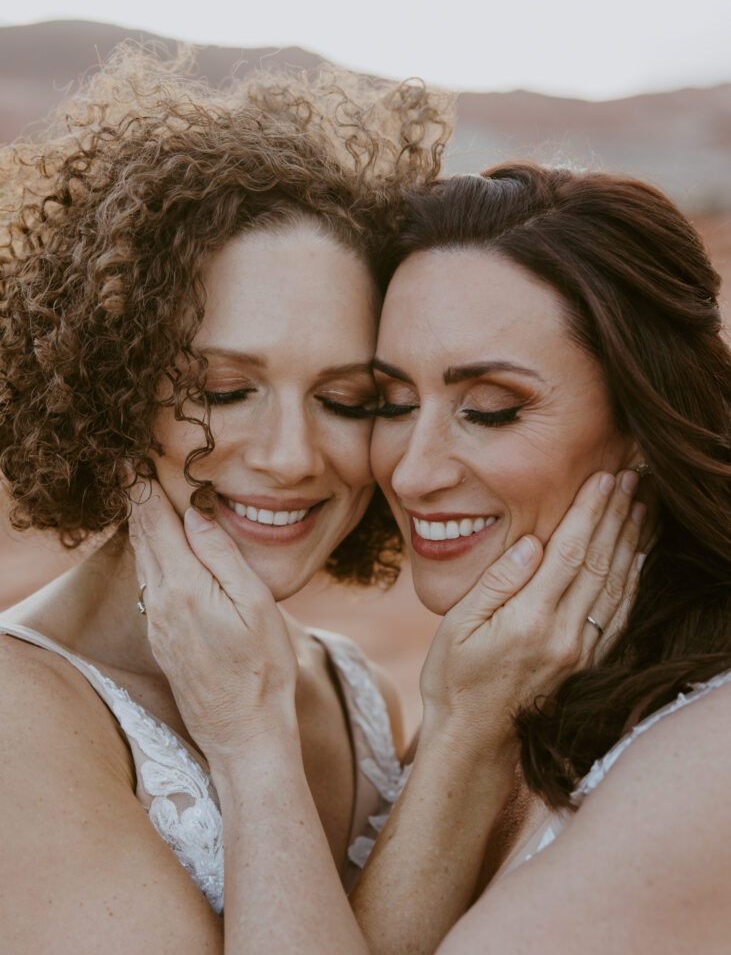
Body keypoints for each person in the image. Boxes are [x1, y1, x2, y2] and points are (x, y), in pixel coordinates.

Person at [131, 164, 730, 953]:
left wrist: (249, 740)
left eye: (488, 410)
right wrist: (467, 729)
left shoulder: (703, 767)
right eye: (390, 404)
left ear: (645, 424)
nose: (410, 472)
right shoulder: (518, 692)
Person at [0, 45, 452, 944]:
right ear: (110, 386)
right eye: (221, 391)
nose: (290, 456)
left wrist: (469, 736)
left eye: (346, 400)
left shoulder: (351, 685)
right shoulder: (20, 716)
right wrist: (251, 746)